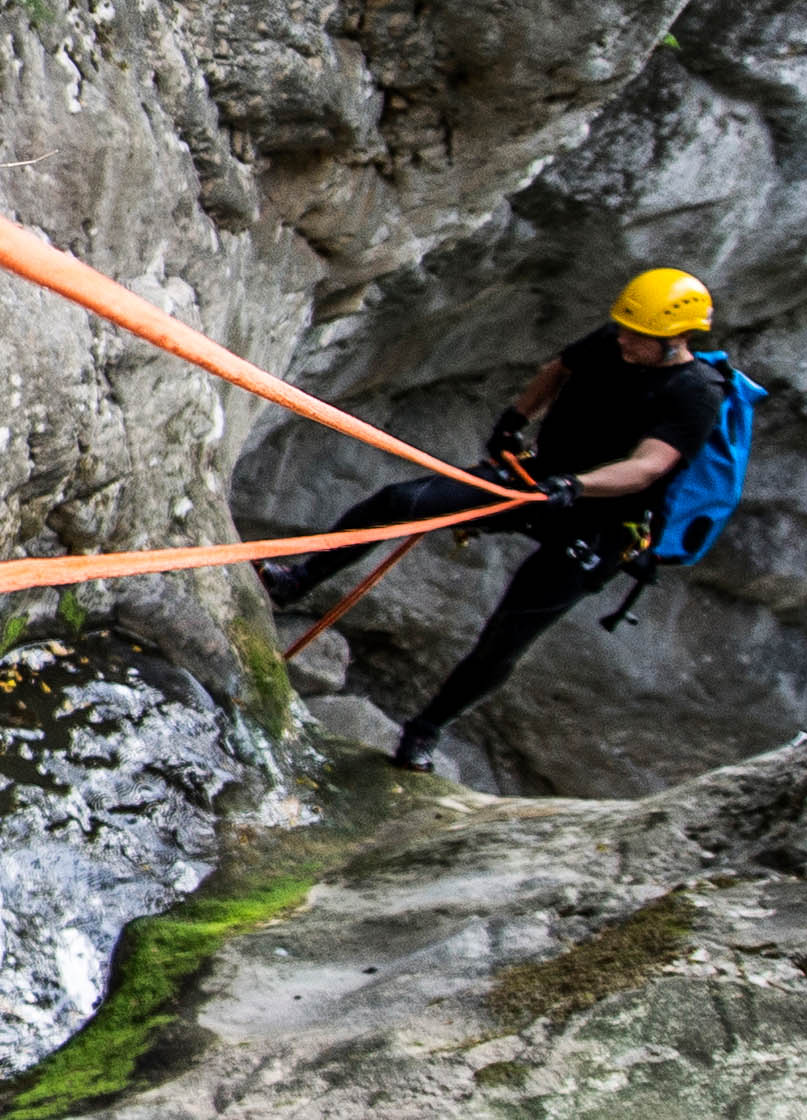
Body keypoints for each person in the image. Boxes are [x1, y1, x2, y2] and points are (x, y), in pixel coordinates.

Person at [255, 268, 731, 773]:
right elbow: (558, 369)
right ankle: (299, 580)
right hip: (538, 478)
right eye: (625, 329)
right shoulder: (613, 340)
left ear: (678, 338)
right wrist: (516, 418)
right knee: (398, 504)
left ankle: (424, 732)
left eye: (641, 337)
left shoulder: (696, 392)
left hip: (601, 524)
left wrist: (576, 486)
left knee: (506, 638)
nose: (627, 341)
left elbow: (649, 466)